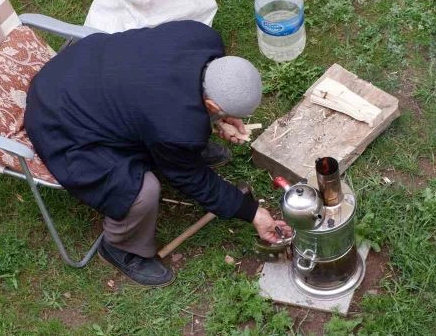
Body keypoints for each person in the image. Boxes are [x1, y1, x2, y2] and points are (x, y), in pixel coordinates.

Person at [25, 20, 292, 287]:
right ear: (211, 104)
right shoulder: (174, 127)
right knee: (142, 192)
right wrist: (252, 212)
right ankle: (120, 247)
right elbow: (192, 179)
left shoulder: (202, 37)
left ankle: (181, 152)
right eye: (221, 112)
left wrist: (215, 119)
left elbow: (185, 95)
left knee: (175, 138)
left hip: (75, 69)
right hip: (59, 124)